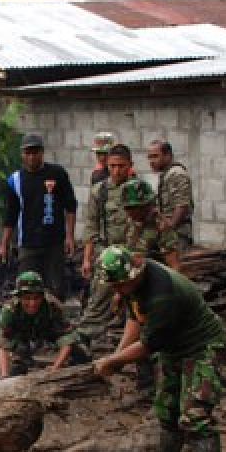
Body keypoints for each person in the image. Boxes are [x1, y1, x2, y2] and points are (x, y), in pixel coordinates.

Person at [92, 247, 226, 452]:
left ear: (133, 274)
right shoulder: (133, 284)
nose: (117, 289)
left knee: (195, 415)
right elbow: (135, 320)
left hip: (202, 347)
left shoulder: (162, 293)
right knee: (167, 410)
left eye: (120, 284)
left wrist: (113, 363)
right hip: (173, 348)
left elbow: (147, 345)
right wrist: (116, 355)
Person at [0, 133, 78, 300]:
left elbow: (70, 206)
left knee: (55, 291)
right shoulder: (15, 180)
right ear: (22, 154)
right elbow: (10, 215)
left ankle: (54, 324)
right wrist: (3, 245)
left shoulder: (57, 174)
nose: (32, 156)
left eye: (35, 152)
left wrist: (70, 236)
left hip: (54, 243)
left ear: (42, 153)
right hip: (28, 244)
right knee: (27, 290)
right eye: (28, 152)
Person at [77, 143, 134, 341]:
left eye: (121, 166)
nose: (117, 171)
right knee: (97, 302)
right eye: (112, 166)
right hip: (108, 256)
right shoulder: (99, 192)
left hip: (136, 255)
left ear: (130, 166)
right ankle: (82, 345)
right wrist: (87, 259)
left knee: (138, 306)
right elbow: (91, 227)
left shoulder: (138, 190)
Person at [0, 271, 85, 378]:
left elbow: (67, 339)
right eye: (27, 298)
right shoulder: (9, 310)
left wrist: (55, 369)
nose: (32, 304)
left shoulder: (53, 306)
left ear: (42, 296)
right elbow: (3, 343)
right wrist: (4, 376)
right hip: (22, 336)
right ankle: (21, 364)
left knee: (80, 352)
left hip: (48, 331)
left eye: (36, 298)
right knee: (15, 367)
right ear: (19, 297)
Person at [120, 178, 181, 271]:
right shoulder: (129, 221)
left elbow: (174, 265)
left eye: (133, 208)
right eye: (127, 207)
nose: (129, 212)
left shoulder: (161, 226)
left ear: (146, 205)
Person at [147, 140, 195, 252]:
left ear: (168, 155)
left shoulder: (176, 173)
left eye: (155, 156)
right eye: (149, 157)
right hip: (168, 233)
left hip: (177, 235)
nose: (151, 161)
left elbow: (182, 205)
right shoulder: (166, 174)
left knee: (174, 268)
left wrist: (170, 227)